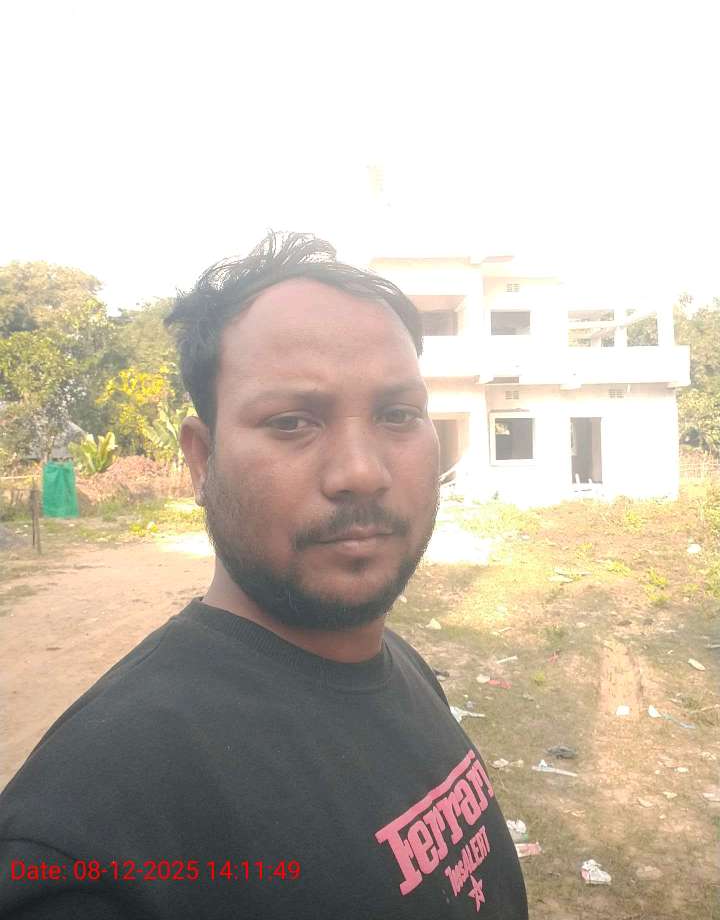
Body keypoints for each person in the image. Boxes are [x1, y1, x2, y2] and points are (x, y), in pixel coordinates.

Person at [0, 233, 528, 919]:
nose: (360, 471)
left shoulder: (400, 664)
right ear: (202, 459)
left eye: (398, 415)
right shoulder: (92, 839)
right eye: (292, 422)